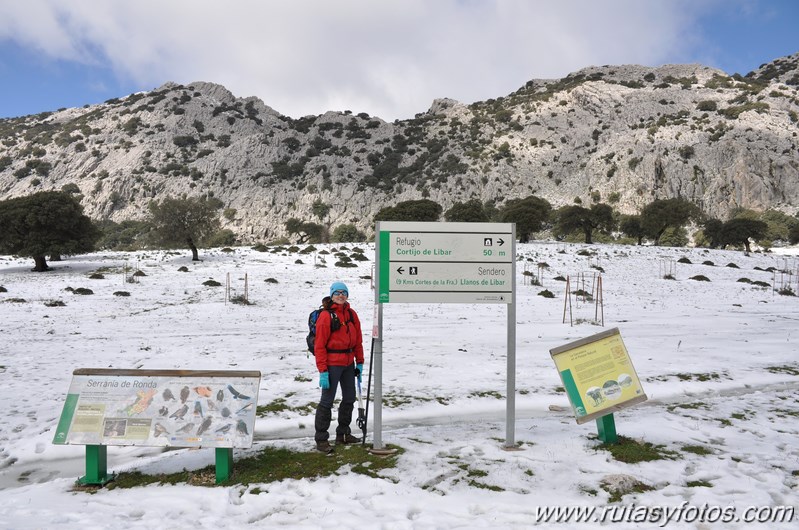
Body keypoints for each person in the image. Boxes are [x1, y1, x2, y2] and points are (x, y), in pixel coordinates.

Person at [313, 281, 364, 453]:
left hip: (349, 363)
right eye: (337, 293)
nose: (341, 295)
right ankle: (321, 439)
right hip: (332, 364)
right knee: (327, 401)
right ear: (332, 295)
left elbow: (358, 340)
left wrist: (361, 362)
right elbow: (319, 346)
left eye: (344, 292)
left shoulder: (351, 314)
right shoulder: (326, 316)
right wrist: (323, 371)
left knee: (349, 398)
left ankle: (343, 434)